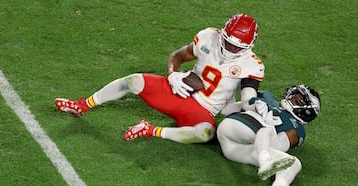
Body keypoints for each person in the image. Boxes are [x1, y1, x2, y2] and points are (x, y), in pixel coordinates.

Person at [55, 13, 265, 144]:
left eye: (238, 46)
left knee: (207, 133)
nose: (230, 48)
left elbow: (248, 96)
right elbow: (178, 56)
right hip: (179, 91)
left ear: (249, 46)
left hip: (202, 110)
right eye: (228, 42)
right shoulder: (209, 36)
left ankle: (150, 130)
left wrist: (257, 106)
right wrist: (172, 74)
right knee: (134, 80)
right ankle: (83, 105)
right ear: (224, 33)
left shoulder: (252, 65)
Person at [217, 84, 321, 186]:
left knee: (293, 162)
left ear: (305, 111)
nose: (291, 97)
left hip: (232, 148)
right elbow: (226, 110)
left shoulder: (296, 127)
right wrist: (251, 104)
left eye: (297, 99)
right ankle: (265, 162)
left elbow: (277, 146)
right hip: (234, 126)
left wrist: (268, 121)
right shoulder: (267, 99)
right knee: (268, 130)